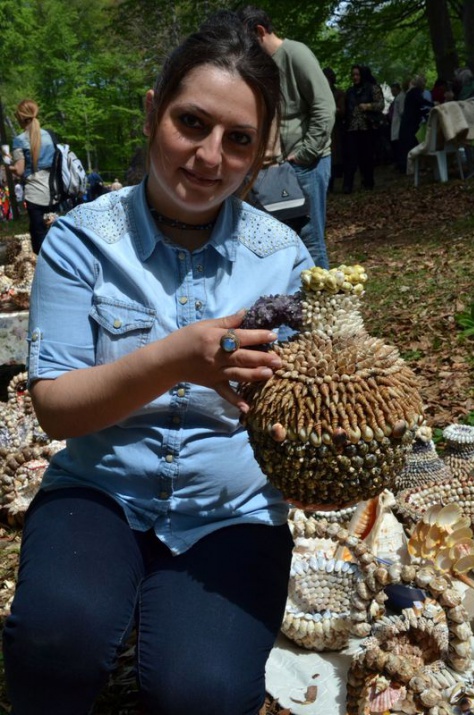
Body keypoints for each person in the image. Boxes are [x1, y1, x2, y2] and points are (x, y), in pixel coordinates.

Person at [2, 12, 314, 715]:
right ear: (153, 112)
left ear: (262, 149)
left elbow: (301, 400)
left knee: (202, 692)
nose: (209, 157)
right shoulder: (81, 242)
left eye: (239, 140)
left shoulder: (282, 257)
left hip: (231, 508)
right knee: (55, 641)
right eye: (191, 123)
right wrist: (178, 358)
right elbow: (54, 408)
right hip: (101, 487)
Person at [239, 6, 336, 268]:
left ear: (260, 32)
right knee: (286, 240)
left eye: (248, 41)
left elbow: (325, 107)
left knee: (311, 238)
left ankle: (323, 306)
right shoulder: (265, 65)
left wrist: (306, 153)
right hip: (281, 168)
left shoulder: (295, 53)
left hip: (307, 163)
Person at [8, 100, 59, 254]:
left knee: (39, 236)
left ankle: (45, 270)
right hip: (53, 191)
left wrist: (8, 164)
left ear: (20, 117)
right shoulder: (50, 135)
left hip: (35, 194)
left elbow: (19, 170)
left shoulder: (19, 140)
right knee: (54, 231)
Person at [342, 64, 385, 193]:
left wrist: (368, 106)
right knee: (351, 157)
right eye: (353, 75)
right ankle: (348, 185)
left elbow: (381, 104)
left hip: (368, 127)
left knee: (367, 157)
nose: (355, 77)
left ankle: (368, 182)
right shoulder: (350, 91)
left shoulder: (373, 88)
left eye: (357, 74)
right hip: (352, 128)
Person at [397, 74, 433, 173]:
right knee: (411, 144)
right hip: (410, 123)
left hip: (408, 122)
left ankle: (409, 167)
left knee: (408, 144)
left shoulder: (411, 93)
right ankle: (410, 168)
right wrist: (433, 105)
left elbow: (416, 108)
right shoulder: (415, 92)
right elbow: (421, 103)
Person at [323, 67, 346, 192]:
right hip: (324, 129)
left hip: (336, 130)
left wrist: (331, 110)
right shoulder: (319, 94)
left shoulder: (339, 94)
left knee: (334, 157)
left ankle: (332, 184)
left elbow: (342, 111)